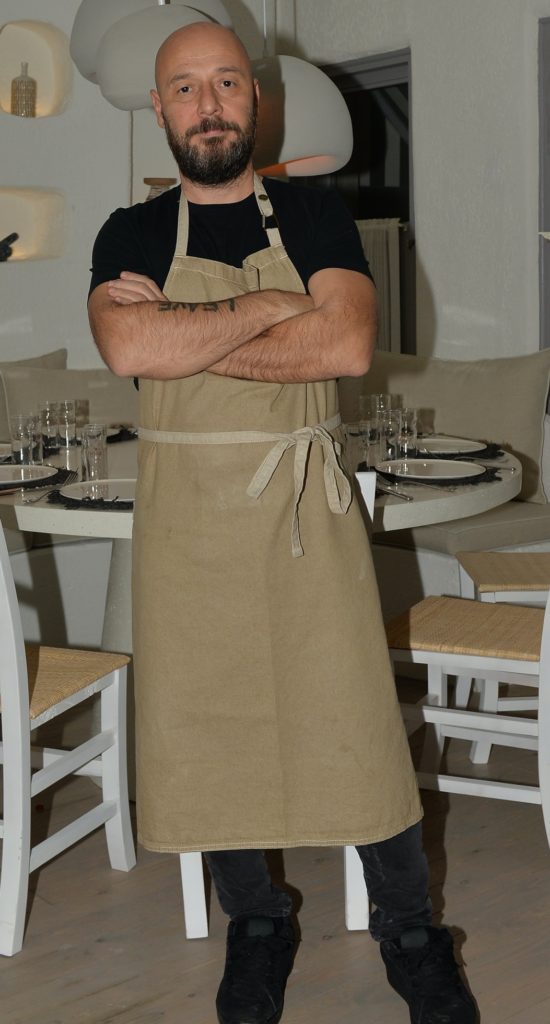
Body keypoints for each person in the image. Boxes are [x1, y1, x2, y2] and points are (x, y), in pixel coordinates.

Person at [87, 21, 477, 1024]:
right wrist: (274, 306)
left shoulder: (313, 210)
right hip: (188, 523)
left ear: (256, 100)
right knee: (204, 726)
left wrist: (183, 332)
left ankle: (410, 931)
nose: (208, 103)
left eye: (226, 82)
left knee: (354, 719)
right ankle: (257, 922)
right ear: (160, 107)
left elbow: (344, 346)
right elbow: (127, 347)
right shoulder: (128, 231)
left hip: (307, 509)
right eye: (185, 87)